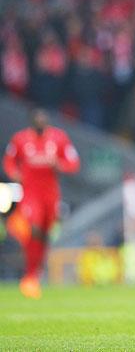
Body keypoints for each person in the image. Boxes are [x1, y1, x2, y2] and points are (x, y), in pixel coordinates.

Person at [3, 109, 80, 299]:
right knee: (34, 228)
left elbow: (73, 162)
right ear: (32, 122)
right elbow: (9, 160)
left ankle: (35, 274)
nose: (40, 121)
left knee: (45, 234)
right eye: (37, 119)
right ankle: (29, 276)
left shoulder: (59, 138)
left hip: (51, 194)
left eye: (43, 119)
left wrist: (59, 165)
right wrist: (14, 173)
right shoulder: (20, 139)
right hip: (30, 192)